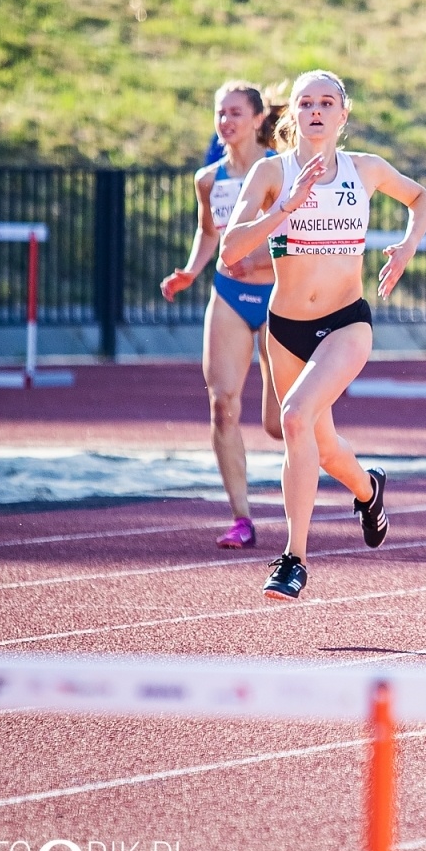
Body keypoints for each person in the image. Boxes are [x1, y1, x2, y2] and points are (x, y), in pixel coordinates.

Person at [221, 69, 426, 600]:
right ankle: (368, 489)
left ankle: (293, 558)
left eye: (327, 102)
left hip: (346, 322)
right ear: (293, 114)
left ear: (343, 114)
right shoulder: (272, 172)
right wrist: (286, 206)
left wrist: (407, 247)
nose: (316, 111)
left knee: (294, 418)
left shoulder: (365, 169)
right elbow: (229, 250)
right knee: (323, 445)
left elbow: (422, 199)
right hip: (286, 326)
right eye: (306, 103)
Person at [160, 81, 284, 548]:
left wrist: (263, 261)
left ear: (257, 119)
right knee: (222, 405)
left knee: (279, 423)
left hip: (279, 298)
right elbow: (208, 233)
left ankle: (331, 477)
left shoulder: (279, 172)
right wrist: (191, 271)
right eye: (220, 113)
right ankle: (242, 517)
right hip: (229, 294)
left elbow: (299, 237)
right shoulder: (208, 179)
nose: (226, 121)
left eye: (235, 113)